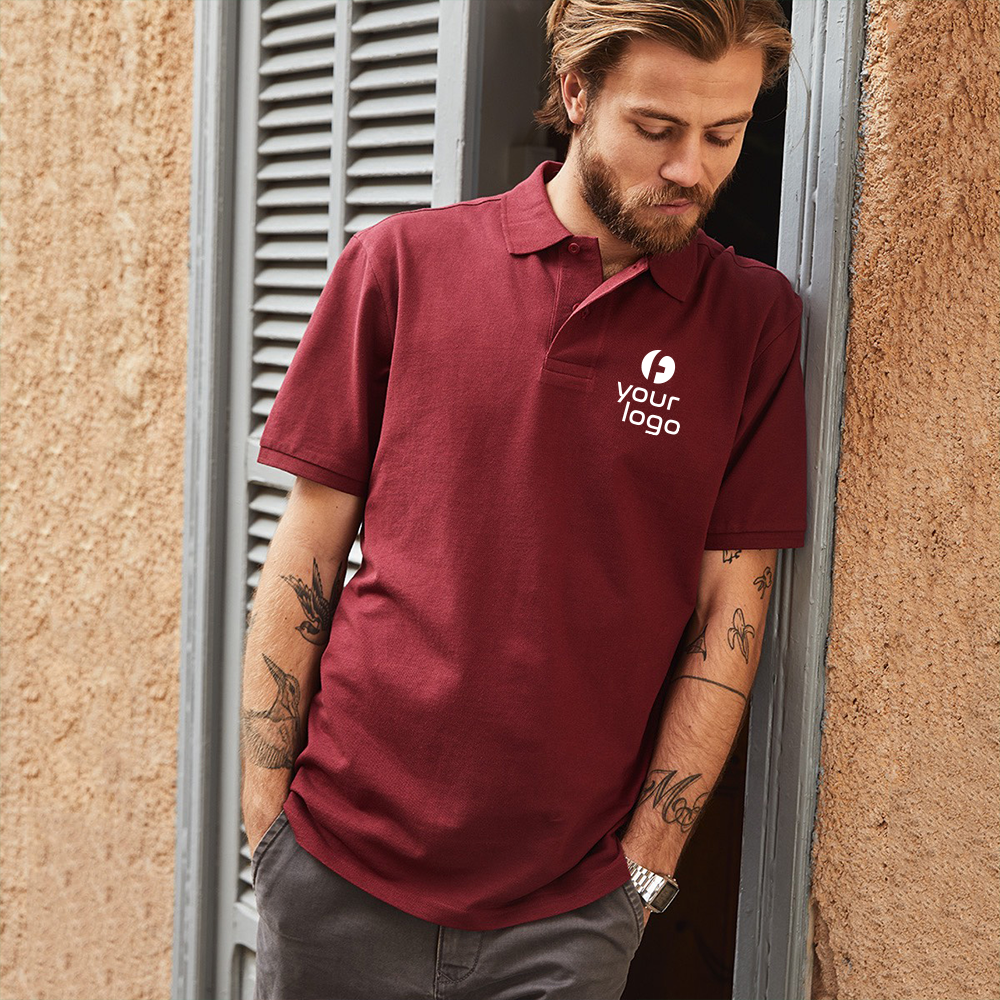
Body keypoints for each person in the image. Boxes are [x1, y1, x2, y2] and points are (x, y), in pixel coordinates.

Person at [240, 1, 805, 997]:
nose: (691, 168)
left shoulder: (752, 322)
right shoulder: (399, 264)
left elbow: (732, 611)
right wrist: (265, 816)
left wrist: (644, 873)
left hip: (570, 910)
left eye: (725, 134)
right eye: (657, 127)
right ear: (576, 95)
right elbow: (309, 550)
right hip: (336, 869)